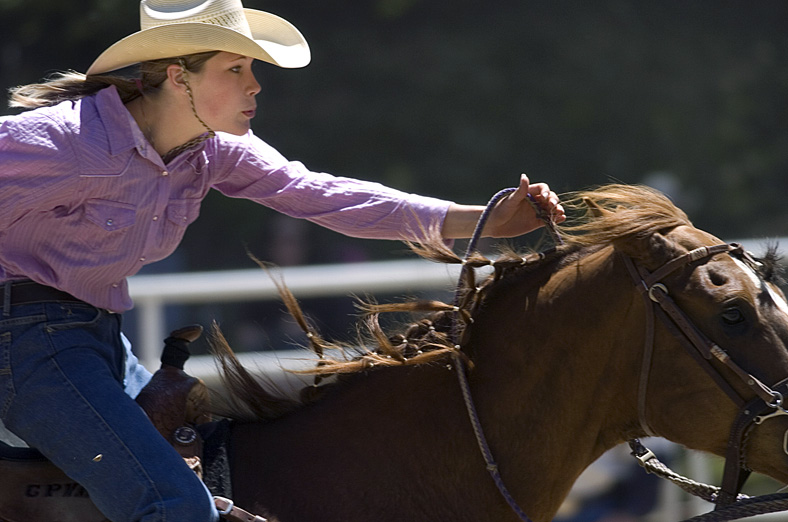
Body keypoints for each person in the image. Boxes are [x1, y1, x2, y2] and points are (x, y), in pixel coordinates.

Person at [0, 0, 565, 520]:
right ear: (178, 78)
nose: (256, 86)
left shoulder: (211, 150)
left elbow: (320, 193)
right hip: (27, 345)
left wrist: (484, 219)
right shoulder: (66, 142)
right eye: (236, 70)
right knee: (176, 505)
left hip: (94, 340)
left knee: (218, 474)